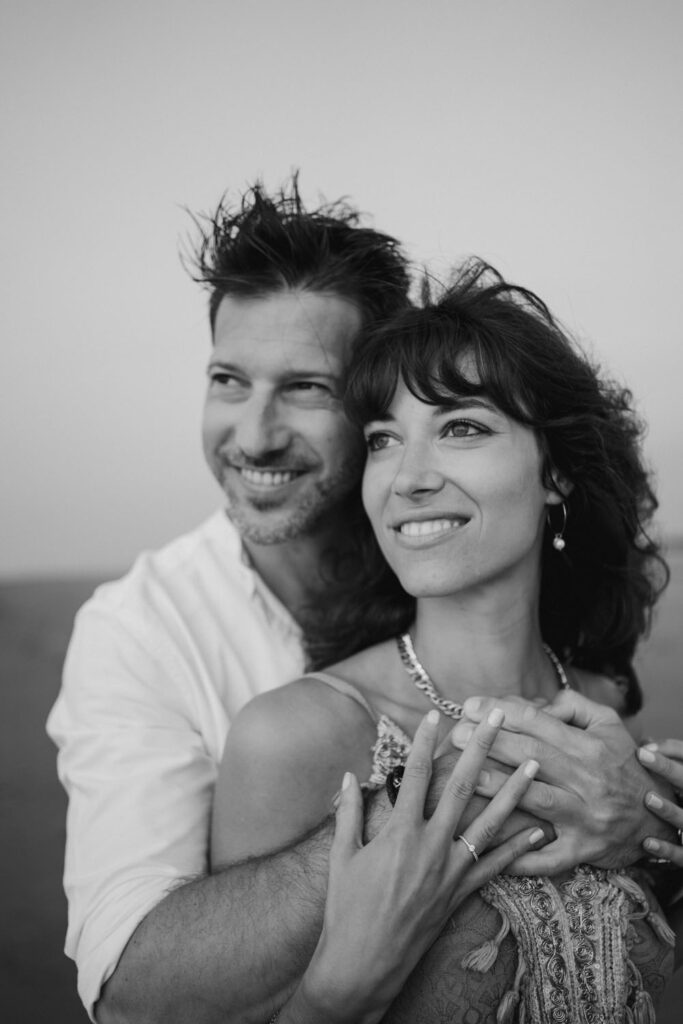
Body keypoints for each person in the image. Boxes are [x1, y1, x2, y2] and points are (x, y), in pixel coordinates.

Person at [46, 178, 678, 1024]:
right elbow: (133, 995)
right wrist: (449, 791)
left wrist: (659, 819)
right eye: (229, 379)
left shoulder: (591, 698)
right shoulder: (157, 640)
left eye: (308, 388)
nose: (257, 433)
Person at [211, 259, 677, 1020]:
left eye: (461, 427)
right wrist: (335, 996)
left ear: (554, 471)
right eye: (384, 439)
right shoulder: (297, 735)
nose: (408, 477)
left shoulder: (604, 717)